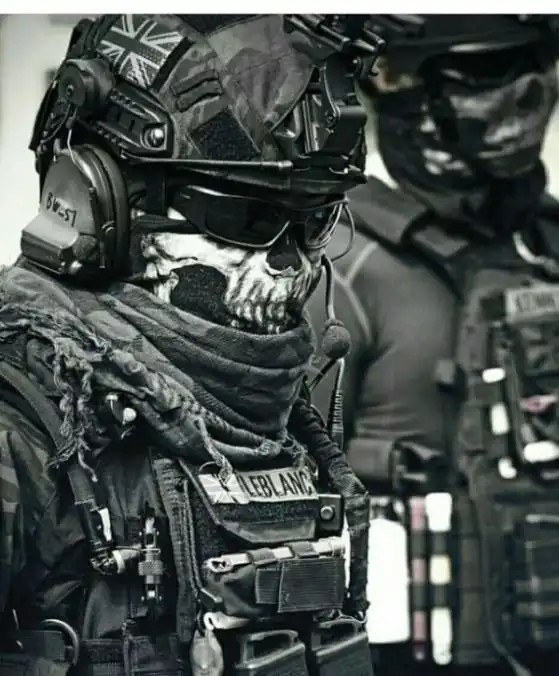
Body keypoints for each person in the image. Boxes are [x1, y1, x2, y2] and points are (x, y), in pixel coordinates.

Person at [0, 14, 385, 676]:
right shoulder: (25, 416)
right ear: (95, 202)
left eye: (314, 221)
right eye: (249, 219)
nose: (291, 264)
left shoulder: (277, 404)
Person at [307, 14, 559, 676]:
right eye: (481, 72)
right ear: (400, 87)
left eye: (526, 65)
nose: (521, 92)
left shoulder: (546, 244)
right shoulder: (341, 266)